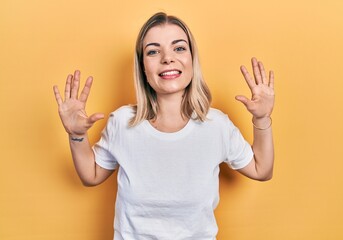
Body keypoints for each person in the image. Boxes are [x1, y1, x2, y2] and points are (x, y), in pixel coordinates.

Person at [53, 12, 275, 240]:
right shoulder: (122, 123)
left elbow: (262, 169)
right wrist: (76, 135)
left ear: (192, 59)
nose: (167, 58)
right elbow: (91, 176)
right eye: (153, 51)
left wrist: (261, 119)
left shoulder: (216, 126)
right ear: (143, 67)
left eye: (178, 48)